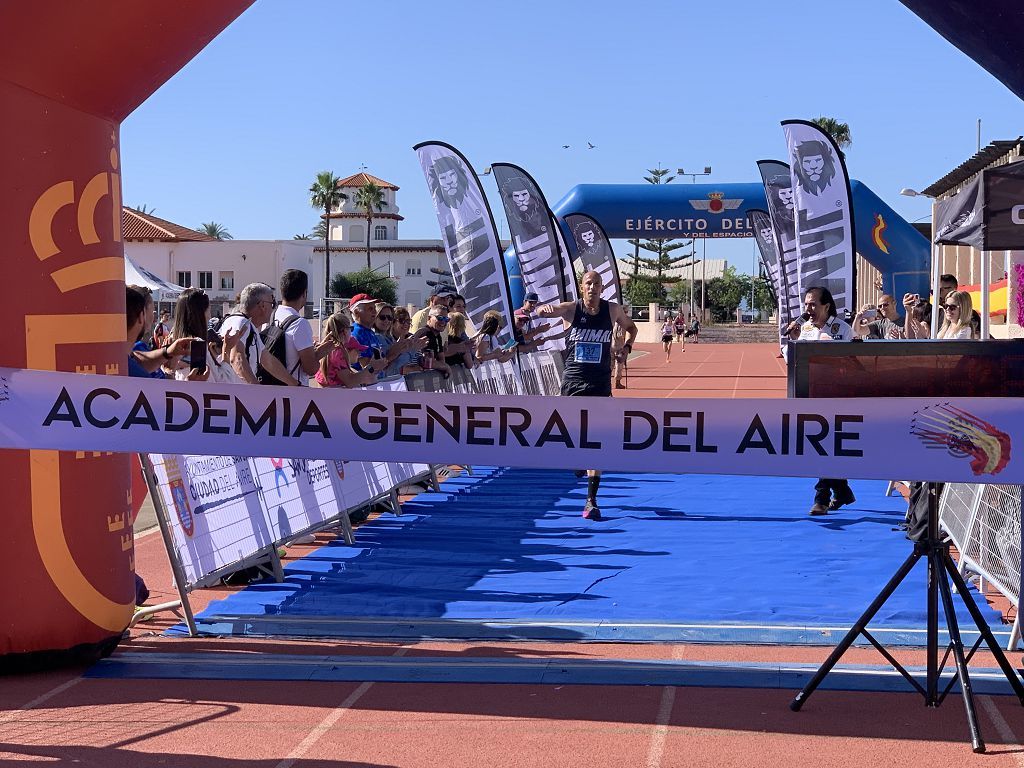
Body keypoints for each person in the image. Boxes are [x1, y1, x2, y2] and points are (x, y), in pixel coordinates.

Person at [537, 270, 638, 521]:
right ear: (582, 287)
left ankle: (591, 500)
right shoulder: (572, 309)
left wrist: (626, 347)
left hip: (600, 384)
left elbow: (631, 328)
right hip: (573, 383)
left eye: (596, 283)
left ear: (602, 288)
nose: (592, 287)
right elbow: (551, 310)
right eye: (588, 283)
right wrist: (542, 311)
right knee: (571, 435)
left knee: (596, 440)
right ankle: (577, 460)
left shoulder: (612, 310)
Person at [784, 286, 855, 515]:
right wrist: (793, 342)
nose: (809, 309)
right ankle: (842, 490)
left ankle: (821, 497)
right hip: (810, 394)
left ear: (826, 305)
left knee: (826, 445)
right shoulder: (803, 329)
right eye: (806, 304)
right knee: (820, 447)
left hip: (837, 396)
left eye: (813, 304)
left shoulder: (842, 329)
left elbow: (852, 362)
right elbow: (792, 360)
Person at [266, 269, 336, 386]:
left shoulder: (271, 315)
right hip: (294, 390)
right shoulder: (300, 324)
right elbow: (310, 369)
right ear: (304, 294)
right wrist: (321, 352)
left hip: (271, 385)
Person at [219, 282, 275, 383]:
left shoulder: (249, 325)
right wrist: (256, 388)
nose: (273, 309)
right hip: (237, 394)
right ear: (262, 305)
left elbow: (268, 361)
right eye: (272, 304)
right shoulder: (241, 323)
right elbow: (236, 358)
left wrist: (294, 384)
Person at [315, 312, 378, 388]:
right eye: (351, 329)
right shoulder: (337, 352)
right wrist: (372, 367)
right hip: (334, 397)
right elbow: (350, 381)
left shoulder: (329, 348)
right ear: (345, 331)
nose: (360, 352)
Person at [413, 305, 453, 377]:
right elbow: (427, 362)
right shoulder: (425, 334)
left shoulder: (437, 335)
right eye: (440, 318)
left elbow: (441, 359)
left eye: (446, 319)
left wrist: (444, 366)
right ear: (429, 318)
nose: (443, 322)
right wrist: (446, 367)